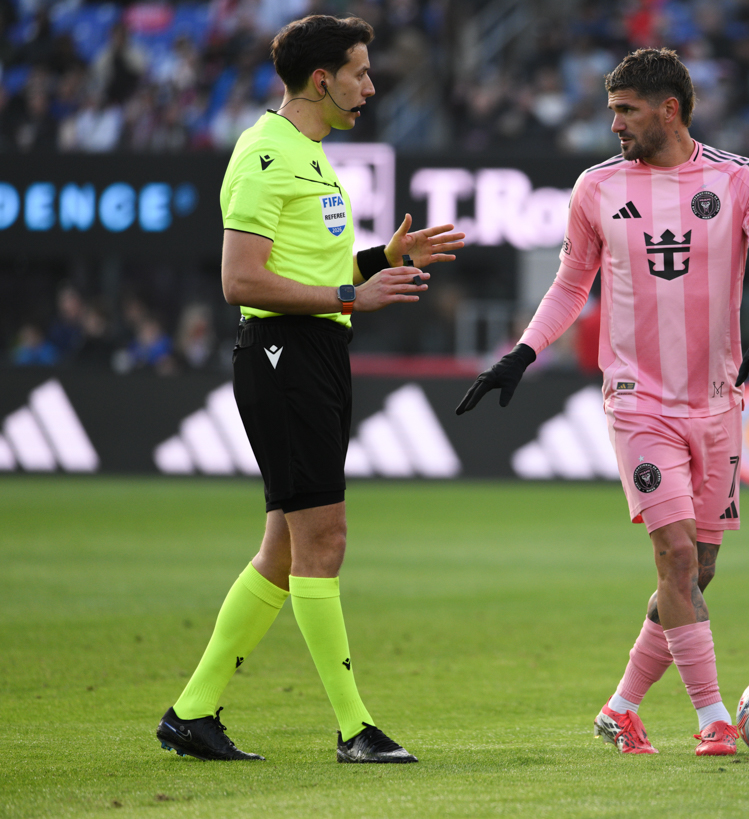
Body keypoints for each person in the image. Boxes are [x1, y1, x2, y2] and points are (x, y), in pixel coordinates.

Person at [456, 47, 749, 756]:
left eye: (625, 111)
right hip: (637, 399)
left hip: (718, 402)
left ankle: (620, 708)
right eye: (612, 110)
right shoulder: (596, 187)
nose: (613, 124)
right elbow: (569, 285)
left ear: (668, 110)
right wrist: (523, 351)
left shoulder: (739, 179)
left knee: (698, 570)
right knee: (674, 556)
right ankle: (713, 719)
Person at [156, 15, 464, 764]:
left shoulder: (312, 156)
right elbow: (241, 281)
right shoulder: (266, 154)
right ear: (322, 80)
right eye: (360, 72)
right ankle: (355, 728)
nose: (371, 86)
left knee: (284, 549)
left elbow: (311, 273)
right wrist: (352, 296)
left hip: (315, 353)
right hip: (282, 356)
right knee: (323, 540)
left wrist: (379, 258)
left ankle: (192, 712)